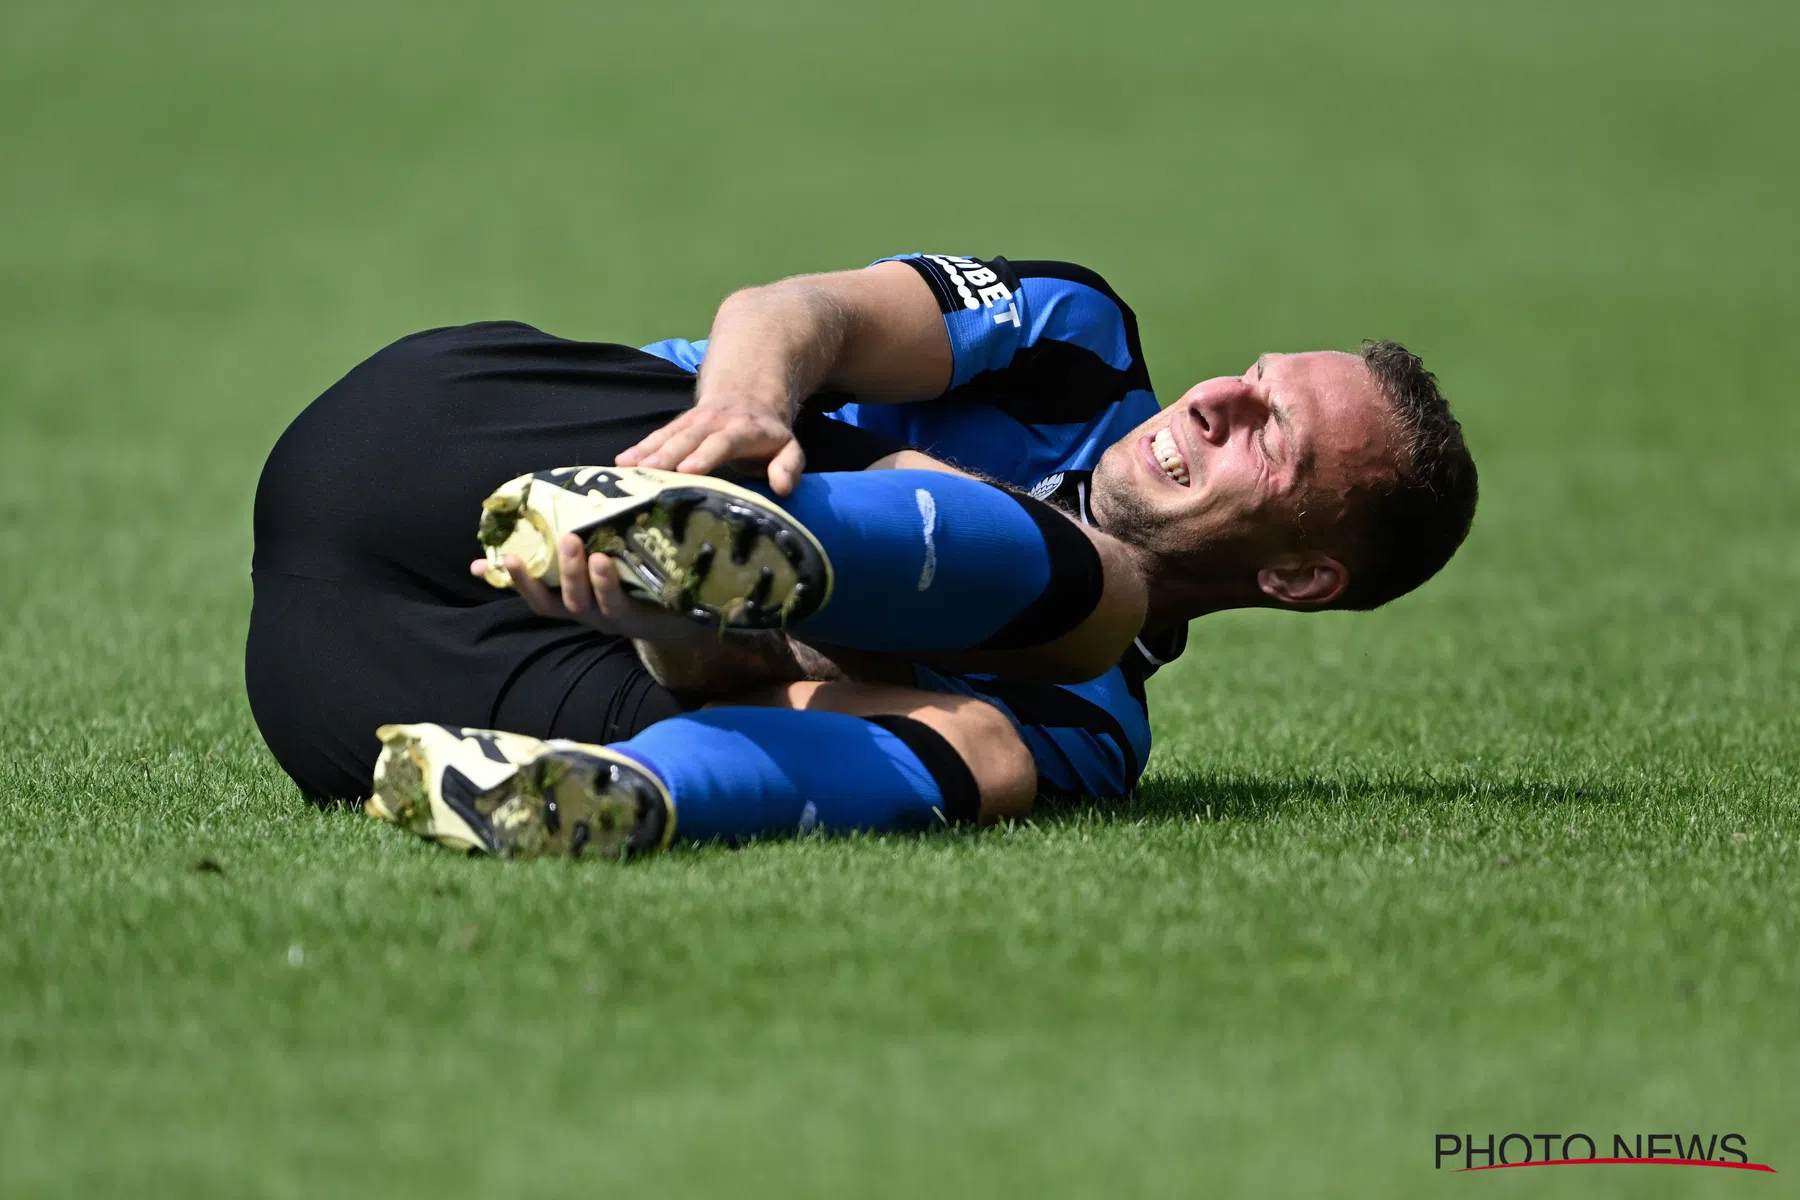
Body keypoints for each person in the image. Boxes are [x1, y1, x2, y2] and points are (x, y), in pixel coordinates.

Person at [247, 253, 1477, 858]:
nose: (1216, 399)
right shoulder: (1078, 344)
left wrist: (675, 630)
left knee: (998, 741)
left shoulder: (1096, 738)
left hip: (346, 688)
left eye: (1277, 438)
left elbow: (756, 703)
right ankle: (716, 520)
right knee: (1097, 592)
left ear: (1303, 578)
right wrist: (741, 419)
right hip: (447, 437)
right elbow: (798, 313)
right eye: (1250, 378)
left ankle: (633, 797)